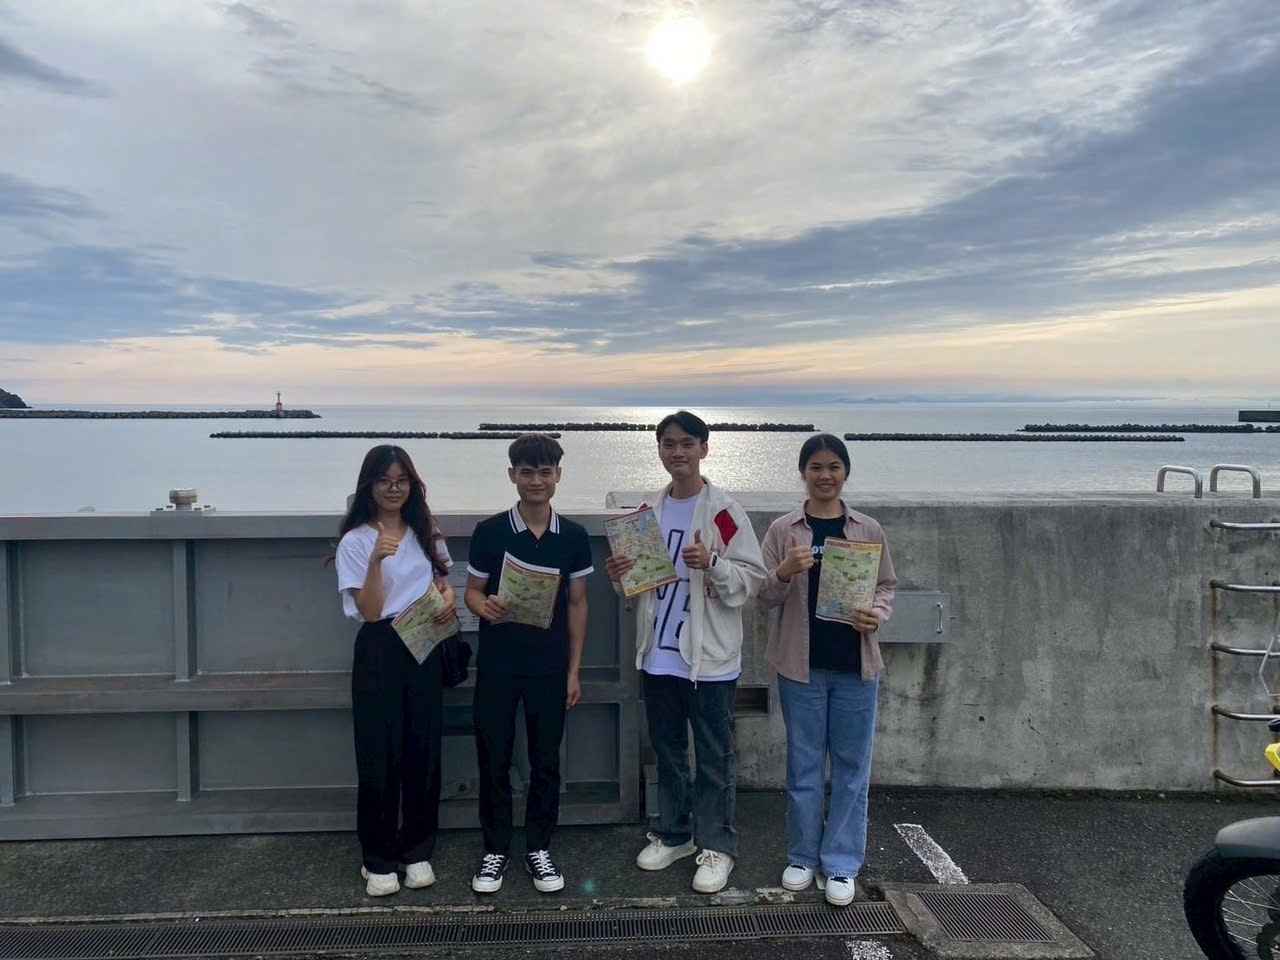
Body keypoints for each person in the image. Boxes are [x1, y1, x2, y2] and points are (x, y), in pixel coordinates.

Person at [606, 410, 767, 894]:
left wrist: (713, 563)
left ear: (704, 449)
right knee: (669, 751)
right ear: (659, 449)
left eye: (687, 443)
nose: (677, 452)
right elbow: (637, 590)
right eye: (668, 443)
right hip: (658, 655)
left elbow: (751, 580)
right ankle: (675, 834)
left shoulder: (723, 512)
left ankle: (717, 846)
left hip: (710, 660)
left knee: (715, 756)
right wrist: (619, 578)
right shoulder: (647, 512)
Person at [757, 434, 896, 906]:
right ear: (803, 473)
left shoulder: (868, 528)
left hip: (856, 666)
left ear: (845, 472)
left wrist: (877, 613)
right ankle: (801, 856)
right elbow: (763, 596)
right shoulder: (783, 530)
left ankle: (841, 862)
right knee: (804, 765)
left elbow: (886, 585)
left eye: (833, 466)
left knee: (853, 768)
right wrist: (783, 572)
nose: (824, 475)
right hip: (801, 667)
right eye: (815, 467)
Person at [464, 434, 593, 895]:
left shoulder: (573, 537)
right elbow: (472, 592)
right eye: (526, 472)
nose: (536, 481)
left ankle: (539, 845)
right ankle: (495, 848)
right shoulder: (490, 532)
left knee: (545, 761)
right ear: (512, 475)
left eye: (544, 472)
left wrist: (574, 671)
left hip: (549, 667)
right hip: (498, 665)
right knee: (493, 758)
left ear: (558, 475)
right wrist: (484, 606)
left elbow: (577, 604)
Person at [335, 445, 458, 897]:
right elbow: (369, 612)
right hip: (380, 646)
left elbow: (444, 582)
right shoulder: (355, 541)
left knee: (422, 750)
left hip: (423, 640)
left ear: (412, 485)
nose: (393, 488)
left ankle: (418, 849)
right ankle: (378, 857)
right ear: (369, 485)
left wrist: (446, 602)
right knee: (378, 754)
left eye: (401, 480)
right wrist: (375, 561)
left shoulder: (426, 530)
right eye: (385, 480)